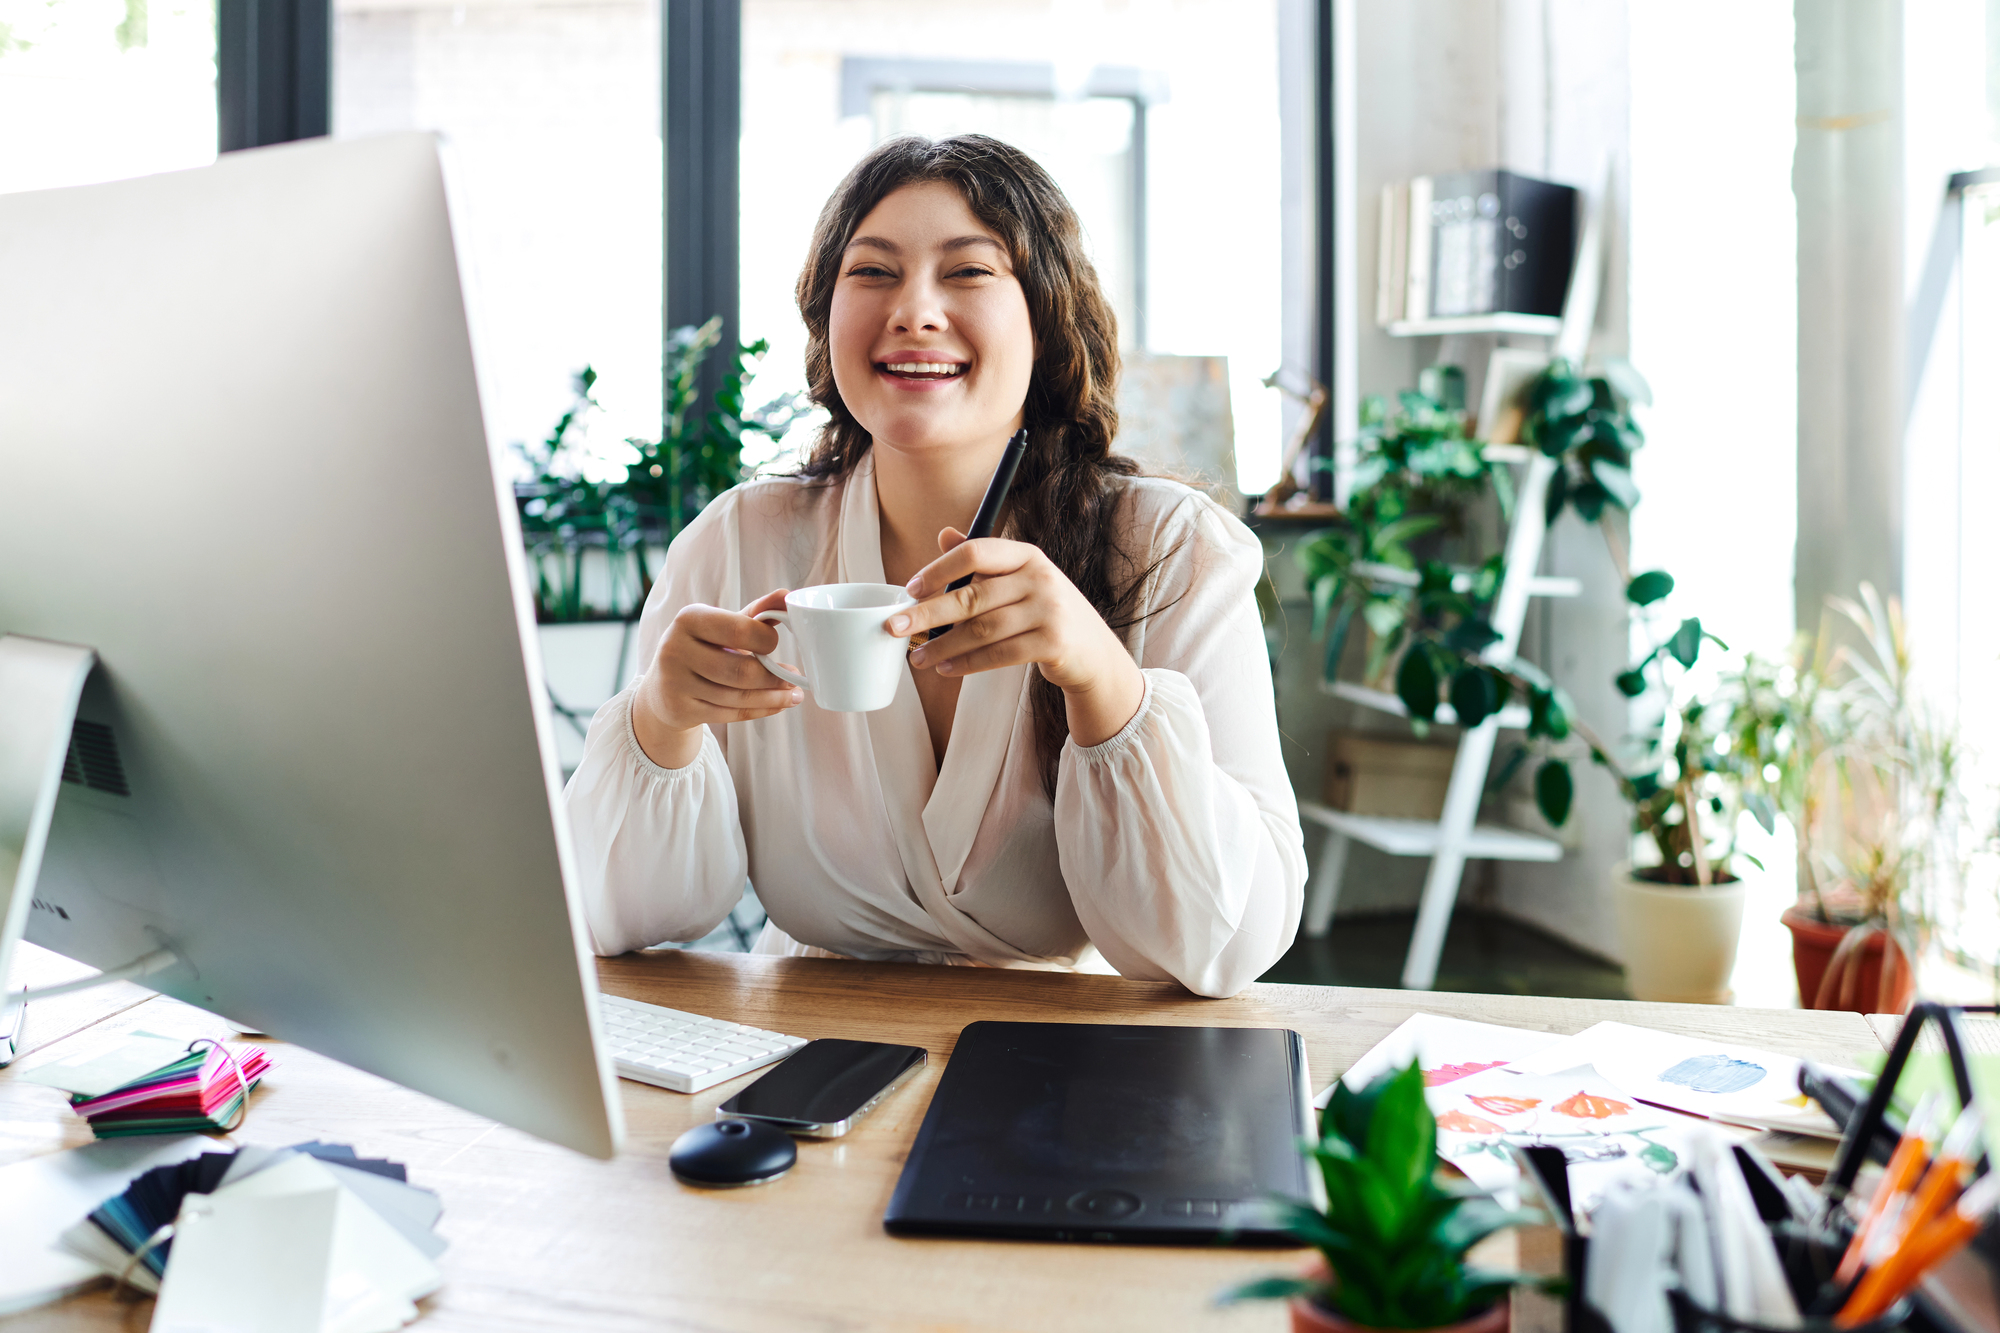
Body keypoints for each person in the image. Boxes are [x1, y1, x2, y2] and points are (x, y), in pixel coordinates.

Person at [565, 134, 1304, 998]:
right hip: (812, 1058)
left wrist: (1103, 679)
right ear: (825, 315)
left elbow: (1230, 944)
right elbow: (616, 918)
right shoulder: (738, 543)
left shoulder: (1171, 548)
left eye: (968, 272)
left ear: (1046, 315)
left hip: (1084, 1061)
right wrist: (661, 721)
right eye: (872, 272)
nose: (914, 310)